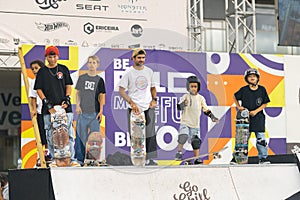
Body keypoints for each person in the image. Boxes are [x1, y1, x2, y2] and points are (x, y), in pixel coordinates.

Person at [34, 46, 80, 167]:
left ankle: (72, 159)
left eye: (54, 56)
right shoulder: (42, 72)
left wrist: (67, 98)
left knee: (69, 133)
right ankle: (55, 159)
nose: (52, 59)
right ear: (46, 57)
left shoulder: (63, 69)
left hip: (64, 108)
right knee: (50, 133)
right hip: (49, 109)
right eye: (50, 56)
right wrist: (46, 102)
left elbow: (68, 85)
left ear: (58, 57)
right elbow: (38, 89)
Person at [118, 48, 158, 165]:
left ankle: (151, 159)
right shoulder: (128, 72)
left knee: (150, 132)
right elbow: (121, 90)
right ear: (133, 58)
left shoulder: (149, 71)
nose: (141, 60)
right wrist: (131, 103)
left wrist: (154, 100)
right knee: (135, 134)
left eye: (143, 58)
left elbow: (153, 88)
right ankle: (137, 158)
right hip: (134, 108)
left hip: (147, 106)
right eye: (139, 58)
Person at [175, 76, 219, 164]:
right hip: (185, 122)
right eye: (191, 86)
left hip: (195, 124)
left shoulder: (201, 98)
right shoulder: (186, 96)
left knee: (196, 142)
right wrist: (184, 104)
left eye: (195, 87)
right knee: (183, 136)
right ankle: (179, 152)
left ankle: (196, 158)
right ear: (188, 87)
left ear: (198, 87)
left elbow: (206, 110)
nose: (193, 88)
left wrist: (212, 117)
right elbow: (178, 107)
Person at [231, 68, 270, 164]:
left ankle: (263, 158)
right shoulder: (244, 90)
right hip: (245, 119)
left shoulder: (262, 89)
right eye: (250, 76)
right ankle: (237, 158)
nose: (252, 78)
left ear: (257, 78)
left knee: (261, 140)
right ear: (246, 78)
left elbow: (265, 103)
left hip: (258, 118)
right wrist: (239, 107)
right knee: (242, 140)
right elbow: (235, 96)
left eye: (254, 76)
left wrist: (256, 111)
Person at [75, 55, 106, 164]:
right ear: (87, 64)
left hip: (95, 113)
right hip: (83, 113)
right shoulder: (82, 78)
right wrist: (77, 105)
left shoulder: (100, 80)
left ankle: (93, 159)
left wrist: (101, 110)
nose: (91, 64)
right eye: (90, 62)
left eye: (94, 62)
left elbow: (101, 96)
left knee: (94, 139)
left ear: (97, 65)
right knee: (80, 137)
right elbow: (77, 93)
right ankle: (80, 159)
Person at [29, 60, 49, 155]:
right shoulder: (33, 82)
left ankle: (50, 152)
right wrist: (34, 109)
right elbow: (33, 97)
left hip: (49, 110)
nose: (34, 70)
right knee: (41, 133)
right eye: (32, 69)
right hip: (40, 111)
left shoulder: (48, 79)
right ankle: (42, 154)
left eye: (36, 68)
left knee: (50, 132)